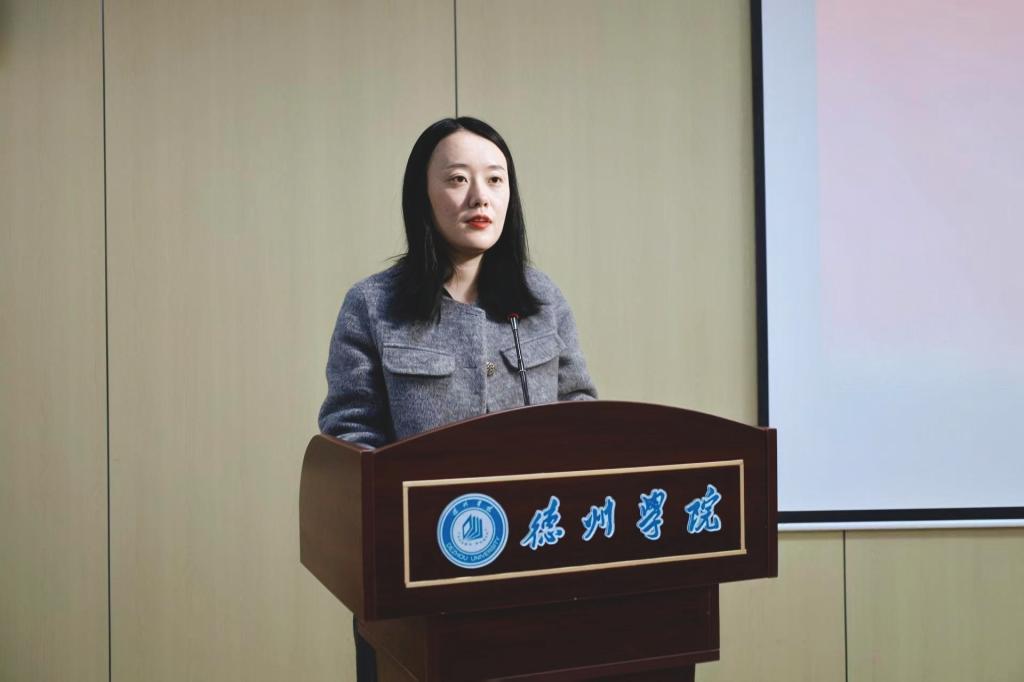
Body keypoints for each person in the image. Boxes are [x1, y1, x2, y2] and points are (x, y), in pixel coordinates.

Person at [317, 117, 597, 681]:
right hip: (417, 583)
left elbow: (580, 412)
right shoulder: (373, 305)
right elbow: (350, 435)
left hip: (535, 573)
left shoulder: (542, 299)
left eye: (495, 179)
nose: (479, 197)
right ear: (422, 194)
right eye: (457, 179)